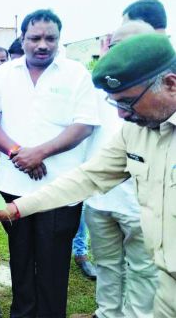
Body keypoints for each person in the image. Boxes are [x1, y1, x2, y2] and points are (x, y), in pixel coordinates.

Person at [0, 33, 176, 318]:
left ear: (170, 85)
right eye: (116, 105)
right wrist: (15, 208)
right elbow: (86, 178)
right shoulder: (135, 132)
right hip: (163, 284)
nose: (122, 116)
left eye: (128, 102)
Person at [0, 9, 99, 318]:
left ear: (60, 39)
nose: (42, 45)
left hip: (61, 188)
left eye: (51, 38)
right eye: (35, 38)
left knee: (53, 263)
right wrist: (19, 152)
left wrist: (40, 153)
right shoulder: (2, 74)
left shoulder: (76, 73)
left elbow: (84, 125)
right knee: (20, 261)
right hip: (13, 186)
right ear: (23, 38)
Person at [78, 22, 158, 318]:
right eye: (115, 46)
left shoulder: (159, 93)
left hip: (140, 205)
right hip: (99, 200)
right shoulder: (94, 85)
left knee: (142, 272)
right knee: (108, 268)